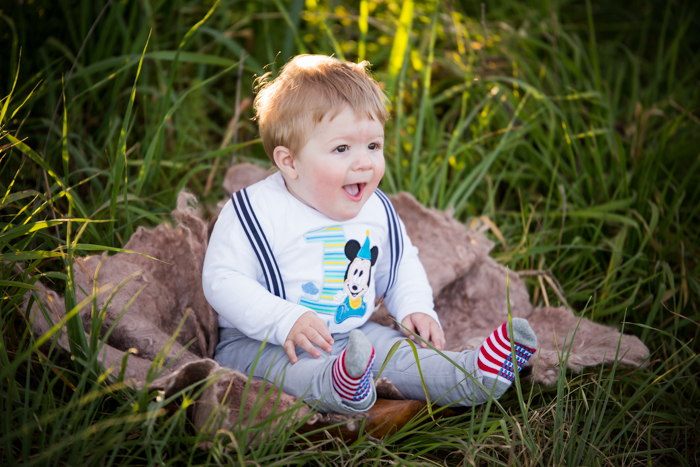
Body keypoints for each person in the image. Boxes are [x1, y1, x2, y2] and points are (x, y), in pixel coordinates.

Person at [202, 55, 537, 415]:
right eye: (342, 148)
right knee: (288, 372)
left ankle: (472, 374)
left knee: (401, 355)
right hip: (262, 341)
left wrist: (415, 306)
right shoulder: (255, 211)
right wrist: (283, 319)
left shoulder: (374, 209)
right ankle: (341, 385)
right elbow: (222, 279)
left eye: (373, 146)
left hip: (352, 333)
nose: (364, 162)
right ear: (290, 162)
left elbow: (402, 261)